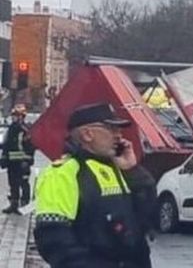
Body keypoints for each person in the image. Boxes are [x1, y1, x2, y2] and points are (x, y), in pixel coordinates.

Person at [34, 102, 156, 268]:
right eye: (111, 129)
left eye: (119, 130)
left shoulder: (118, 167)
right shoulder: (62, 173)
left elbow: (147, 214)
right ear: (87, 134)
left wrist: (132, 170)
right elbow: (53, 238)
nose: (119, 135)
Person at [1, 103, 33, 213]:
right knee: (13, 183)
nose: (13, 117)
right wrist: (4, 158)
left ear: (22, 116)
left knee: (24, 183)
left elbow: (30, 147)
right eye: (13, 115)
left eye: (16, 115)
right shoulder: (12, 128)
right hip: (12, 162)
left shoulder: (26, 130)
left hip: (23, 162)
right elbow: (7, 144)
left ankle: (25, 205)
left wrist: (26, 160)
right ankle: (14, 205)